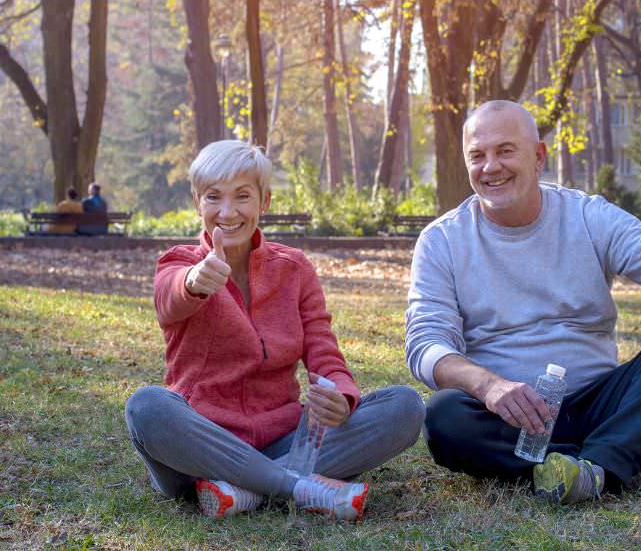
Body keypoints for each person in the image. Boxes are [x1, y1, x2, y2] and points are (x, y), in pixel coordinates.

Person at [406, 100, 641, 504]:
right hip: (509, 419)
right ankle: (619, 463)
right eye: (478, 156)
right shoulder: (442, 240)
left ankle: (592, 466)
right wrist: (491, 387)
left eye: (505, 151)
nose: (491, 167)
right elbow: (426, 344)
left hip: (600, 403)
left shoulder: (587, 216)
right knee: (443, 418)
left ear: (539, 156)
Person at [124, 140, 425, 521]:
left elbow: (323, 350)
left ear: (264, 202)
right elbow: (170, 300)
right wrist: (195, 281)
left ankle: (244, 489)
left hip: (283, 438)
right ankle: (297, 487)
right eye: (213, 197)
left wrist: (342, 395)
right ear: (197, 201)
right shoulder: (179, 262)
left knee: (405, 406)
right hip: (203, 446)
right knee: (147, 407)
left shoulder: (294, 268)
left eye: (242, 196)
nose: (227, 211)